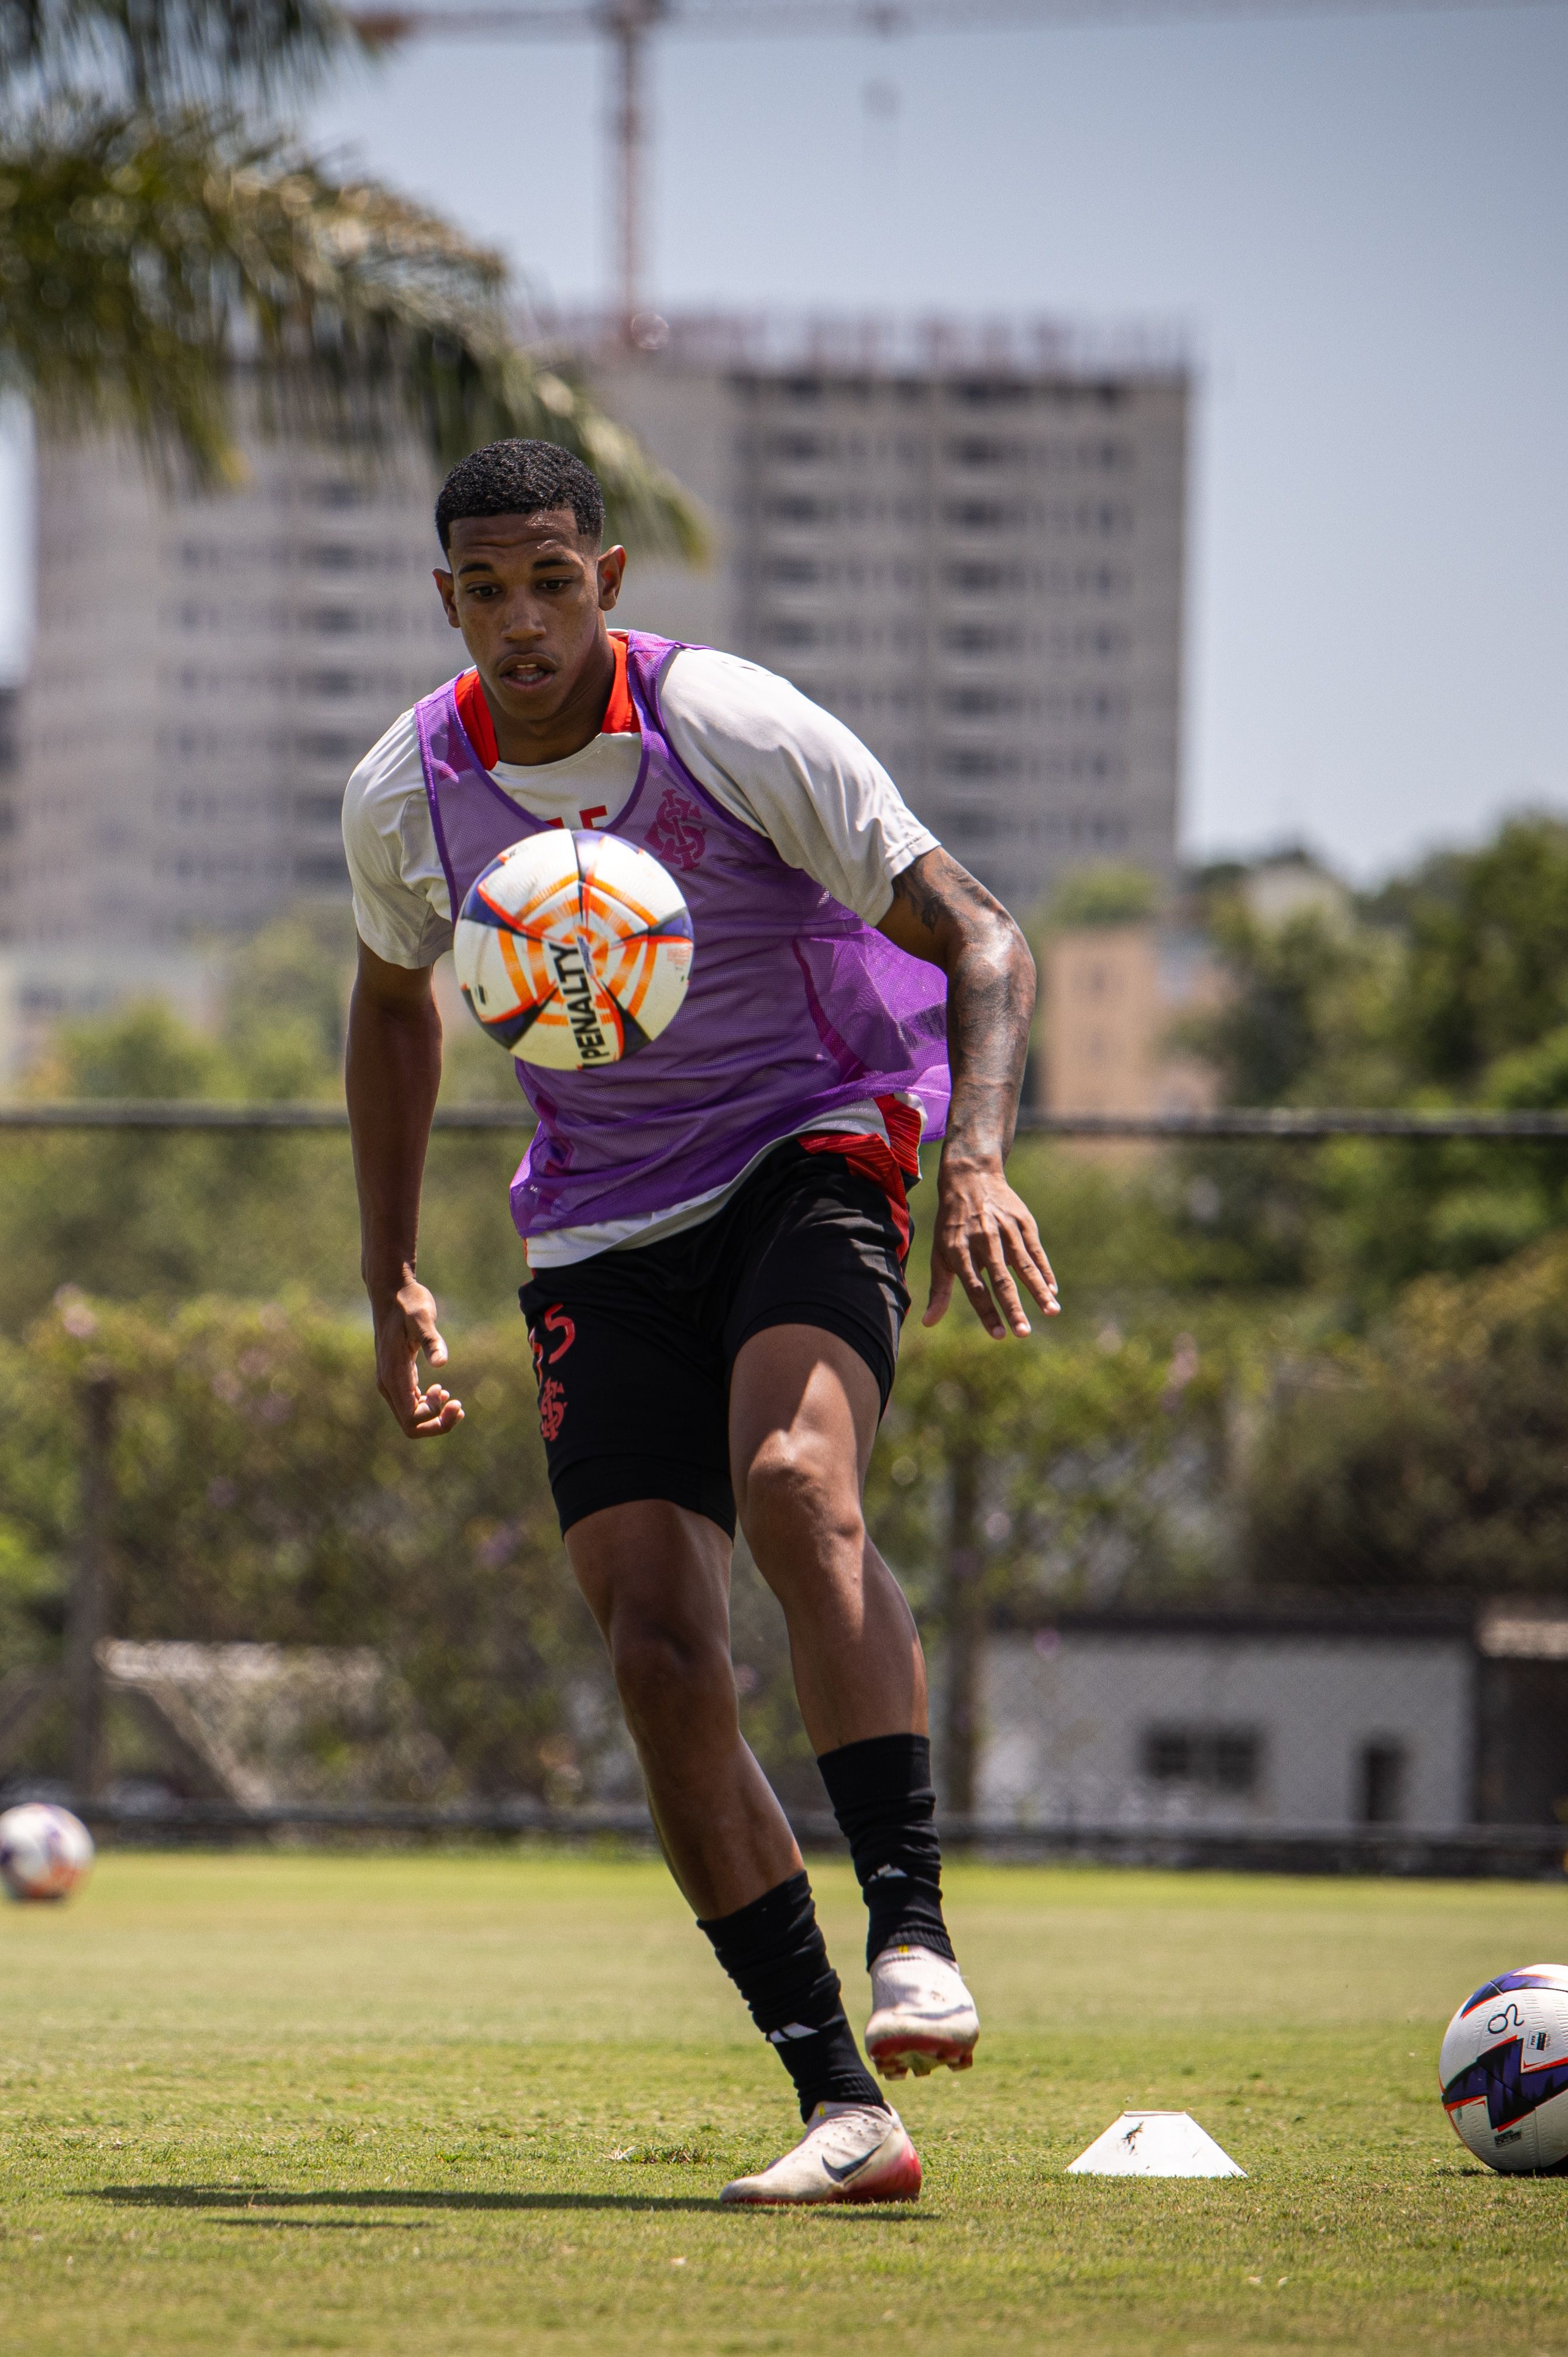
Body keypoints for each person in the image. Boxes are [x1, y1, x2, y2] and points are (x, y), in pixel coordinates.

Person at [342, 439, 1060, 2207]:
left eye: (552, 581)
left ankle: (911, 1928)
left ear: (612, 576)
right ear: (447, 602)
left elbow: (981, 935)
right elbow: (391, 1006)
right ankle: (842, 2107)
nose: (522, 621)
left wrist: (971, 1161)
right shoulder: (406, 790)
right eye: (486, 590)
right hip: (594, 1229)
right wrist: (390, 1269)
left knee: (800, 1484)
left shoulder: (727, 723)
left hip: (806, 1150)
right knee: (656, 1652)